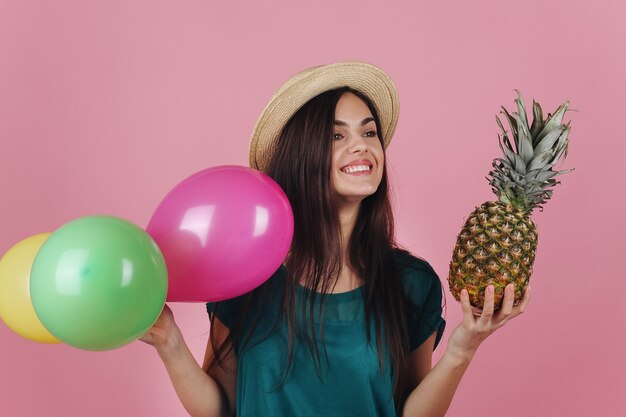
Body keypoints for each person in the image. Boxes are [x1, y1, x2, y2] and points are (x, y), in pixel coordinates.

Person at [140, 61, 530, 417]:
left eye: (369, 131)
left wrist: (462, 350)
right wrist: (169, 341)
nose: (361, 145)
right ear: (300, 155)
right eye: (336, 135)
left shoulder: (412, 283)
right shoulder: (248, 274)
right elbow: (221, 409)